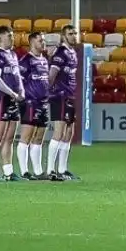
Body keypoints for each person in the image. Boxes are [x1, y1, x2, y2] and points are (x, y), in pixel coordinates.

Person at [0, 25, 25, 182]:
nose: (12, 38)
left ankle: (8, 171)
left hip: (12, 99)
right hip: (0, 98)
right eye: (9, 36)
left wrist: (21, 91)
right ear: (0, 37)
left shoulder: (13, 55)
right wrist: (12, 93)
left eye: (12, 35)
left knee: (9, 137)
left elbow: (17, 76)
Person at [47, 24, 81, 181]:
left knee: (69, 133)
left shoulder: (73, 52)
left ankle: (62, 169)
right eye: (70, 33)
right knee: (59, 132)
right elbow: (51, 75)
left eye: (75, 33)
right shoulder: (60, 53)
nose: (74, 36)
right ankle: (50, 170)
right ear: (63, 36)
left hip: (70, 95)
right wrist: (49, 92)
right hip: (59, 96)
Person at [17, 31, 51, 180]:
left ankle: (38, 171)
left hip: (43, 103)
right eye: (40, 41)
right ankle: (24, 172)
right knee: (26, 137)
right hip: (30, 102)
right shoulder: (26, 60)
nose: (43, 43)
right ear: (31, 43)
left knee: (38, 138)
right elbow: (19, 81)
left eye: (43, 40)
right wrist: (22, 98)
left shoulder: (44, 60)